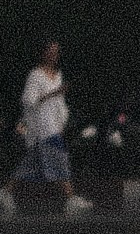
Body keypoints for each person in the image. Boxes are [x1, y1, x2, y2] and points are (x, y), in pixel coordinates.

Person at [12, 42, 91, 216]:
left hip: (54, 125)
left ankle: (5, 193)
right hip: (42, 126)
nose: (54, 55)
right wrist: (54, 93)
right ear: (43, 53)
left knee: (30, 164)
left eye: (56, 52)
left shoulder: (58, 75)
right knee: (59, 159)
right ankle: (71, 199)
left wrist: (61, 122)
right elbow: (28, 101)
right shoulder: (35, 75)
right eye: (51, 52)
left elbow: (59, 103)